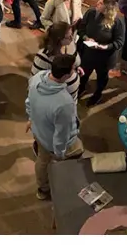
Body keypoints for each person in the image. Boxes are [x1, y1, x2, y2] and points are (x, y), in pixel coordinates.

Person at [27, 53, 84, 201]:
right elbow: (62, 133)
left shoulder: (37, 78)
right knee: (78, 151)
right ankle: (62, 185)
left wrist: (31, 119)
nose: (75, 71)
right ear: (65, 76)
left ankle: (42, 189)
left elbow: (29, 101)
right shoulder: (64, 103)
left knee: (42, 160)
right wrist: (59, 152)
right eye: (73, 69)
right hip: (52, 141)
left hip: (39, 131)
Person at [76, 0, 127, 107]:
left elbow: (119, 42)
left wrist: (106, 47)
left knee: (101, 78)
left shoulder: (117, 22)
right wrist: (86, 38)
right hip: (88, 53)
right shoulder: (91, 13)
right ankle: (81, 88)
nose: (96, 4)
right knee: (84, 73)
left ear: (107, 8)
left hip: (105, 57)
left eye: (100, 3)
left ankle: (97, 94)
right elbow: (81, 29)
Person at [31, 22, 80, 101]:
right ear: (59, 40)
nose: (72, 39)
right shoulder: (43, 57)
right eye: (68, 37)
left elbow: (74, 62)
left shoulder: (70, 46)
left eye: (72, 35)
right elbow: (36, 82)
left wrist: (76, 68)